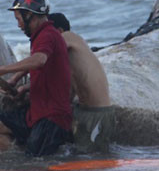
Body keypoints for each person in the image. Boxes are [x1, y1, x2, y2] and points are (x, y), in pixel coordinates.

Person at [0, 0, 72, 156]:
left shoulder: (48, 34)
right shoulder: (41, 35)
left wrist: (2, 70)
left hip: (51, 119)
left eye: (18, 19)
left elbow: (39, 60)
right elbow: (35, 60)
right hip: (35, 113)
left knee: (34, 166)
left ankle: (20, 166)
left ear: (29, 14)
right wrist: (16, 80)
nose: (19, 25)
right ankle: (13, 158)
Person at [48, 12, 114, 153]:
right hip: (85, 110)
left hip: (97, 112)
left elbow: (46, 54)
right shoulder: (73, 56)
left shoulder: (68, 36)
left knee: (93, 159)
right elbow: (69, 90)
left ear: (58, 31)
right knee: (81, 154)